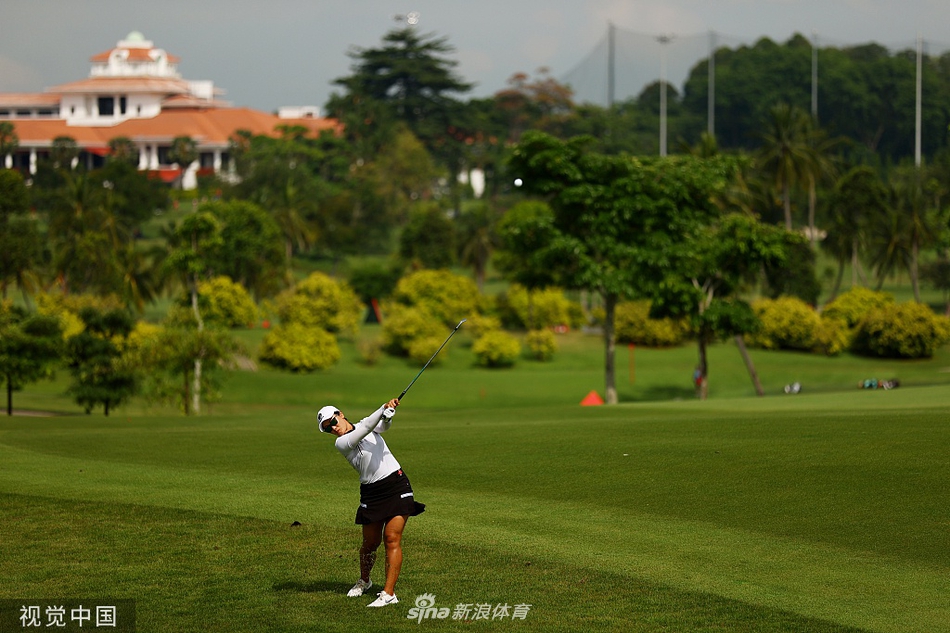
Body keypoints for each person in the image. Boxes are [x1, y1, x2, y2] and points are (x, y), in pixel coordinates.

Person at [317, 398, 425, 608]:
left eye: (332, 422)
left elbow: (381, 426)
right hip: (371, 493)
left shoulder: (365, 425)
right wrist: (383, 408)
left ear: (340, 414)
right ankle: (365, 580)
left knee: (391, 538)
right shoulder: (341, 443)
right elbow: (368, 426)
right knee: (370, 544)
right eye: (327, 429)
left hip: (396, 485)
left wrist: (388, 416)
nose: (333, 428)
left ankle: (388, 593)